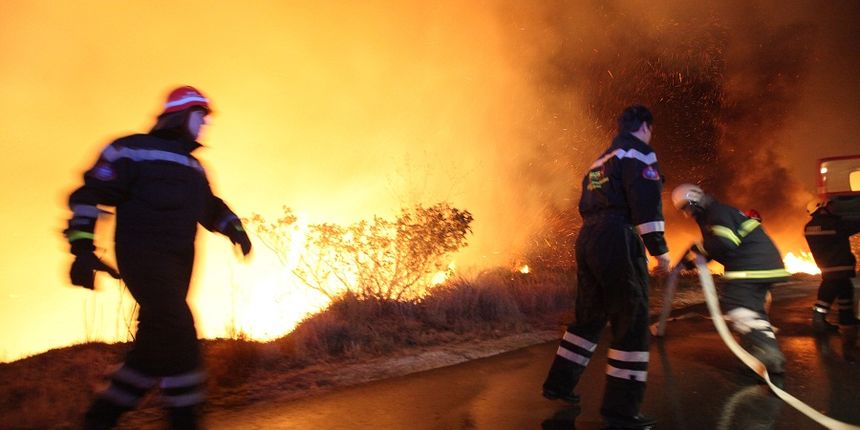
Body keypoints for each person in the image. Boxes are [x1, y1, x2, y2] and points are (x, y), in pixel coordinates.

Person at [64, 85, 252, 429]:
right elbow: (90, 195)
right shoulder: (129, 150)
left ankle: (99, 419)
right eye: (201, 116)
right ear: (181, 115)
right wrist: (82, 251)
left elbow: (209, 207)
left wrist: (233, 227)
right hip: (144, 262)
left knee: (154, 348)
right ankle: (185, 422)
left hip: (179, 269)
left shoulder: (195, 168)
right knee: (180, 331)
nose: (205, 125)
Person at [542, 104, 670, 430]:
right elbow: (645, 200)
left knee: (589, 318)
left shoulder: (600, 161)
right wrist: (660, 250)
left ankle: (559, 384)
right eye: (650, 130)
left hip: (589, 238)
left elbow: (591, 200)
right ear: (644, 126)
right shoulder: (639, 151)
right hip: (617, 237)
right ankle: (622, 411)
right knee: (632, 319)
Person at [671, 183, 789, 376]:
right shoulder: (716, 213)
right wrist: (691, 259)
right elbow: (717, 243)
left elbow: (723, 243)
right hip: (764, 263)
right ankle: (757, 356)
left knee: (737, 305)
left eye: (687, 207)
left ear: (696, 200)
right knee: (753, 311)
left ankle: (769, 354)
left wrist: (696, 252)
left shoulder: (715, 212)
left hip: (751, 265)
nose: (687, 213)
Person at [804, 199, 860, 360]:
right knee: (841, 294)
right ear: (821, 209)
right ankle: (838, 324)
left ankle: (834, 320)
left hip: (827, 267)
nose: (832, 208)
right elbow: (854, 226)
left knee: (838, 292)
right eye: (829, 206)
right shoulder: (834, 224)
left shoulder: (809, 227)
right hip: (840, 266)